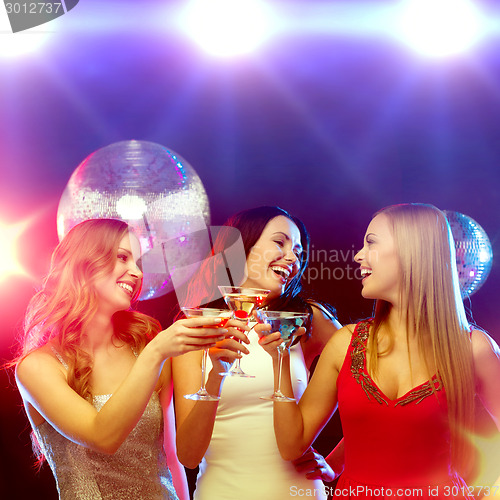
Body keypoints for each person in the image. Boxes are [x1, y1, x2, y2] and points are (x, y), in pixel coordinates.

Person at [266, 203, 500, 499]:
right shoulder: (345, 343)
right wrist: (280, 359)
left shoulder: (475, 348)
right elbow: (292, 444)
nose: (358, 255)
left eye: (371, 242)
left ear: (412, 251)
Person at [13, 218, 230, 500]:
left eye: (137, 262)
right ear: (83, 264)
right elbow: (102, 437)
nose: (137, 272)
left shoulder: (146, 343)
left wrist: (216, 374)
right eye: (123, 258)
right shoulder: (37, 367)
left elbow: (172, 456)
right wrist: (156, 354)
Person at [173, 206, 343, 500]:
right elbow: (188, 455)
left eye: (298, 251)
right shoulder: (196, 326)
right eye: (280, 242)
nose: (292, 257)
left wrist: (336, 464)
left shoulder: (307, 319)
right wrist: (215, 377)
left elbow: (374, 392)